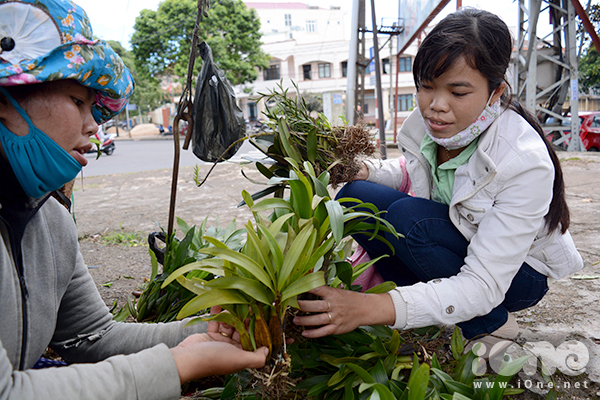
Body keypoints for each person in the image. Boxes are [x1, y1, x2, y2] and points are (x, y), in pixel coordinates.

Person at [0, 0, 267, 398]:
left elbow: (92, 337)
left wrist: (209, 332)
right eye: (78, 102)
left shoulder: (50, 221)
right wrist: (178, 366)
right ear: (6, 99)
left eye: (93, 108)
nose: (94, 126)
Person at [294, 8, 583, 357]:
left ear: (495, 93)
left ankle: (489, 322)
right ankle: (431, 305)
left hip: (515, 276)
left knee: (410, 223)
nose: (436, 106)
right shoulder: (432, 124)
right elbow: (414, 169)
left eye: (458, 92)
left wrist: (370, 308)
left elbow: (483, 283)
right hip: (457, 244)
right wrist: (360, 170)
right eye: (426, 87)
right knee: (355, 198)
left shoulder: (524, 162)